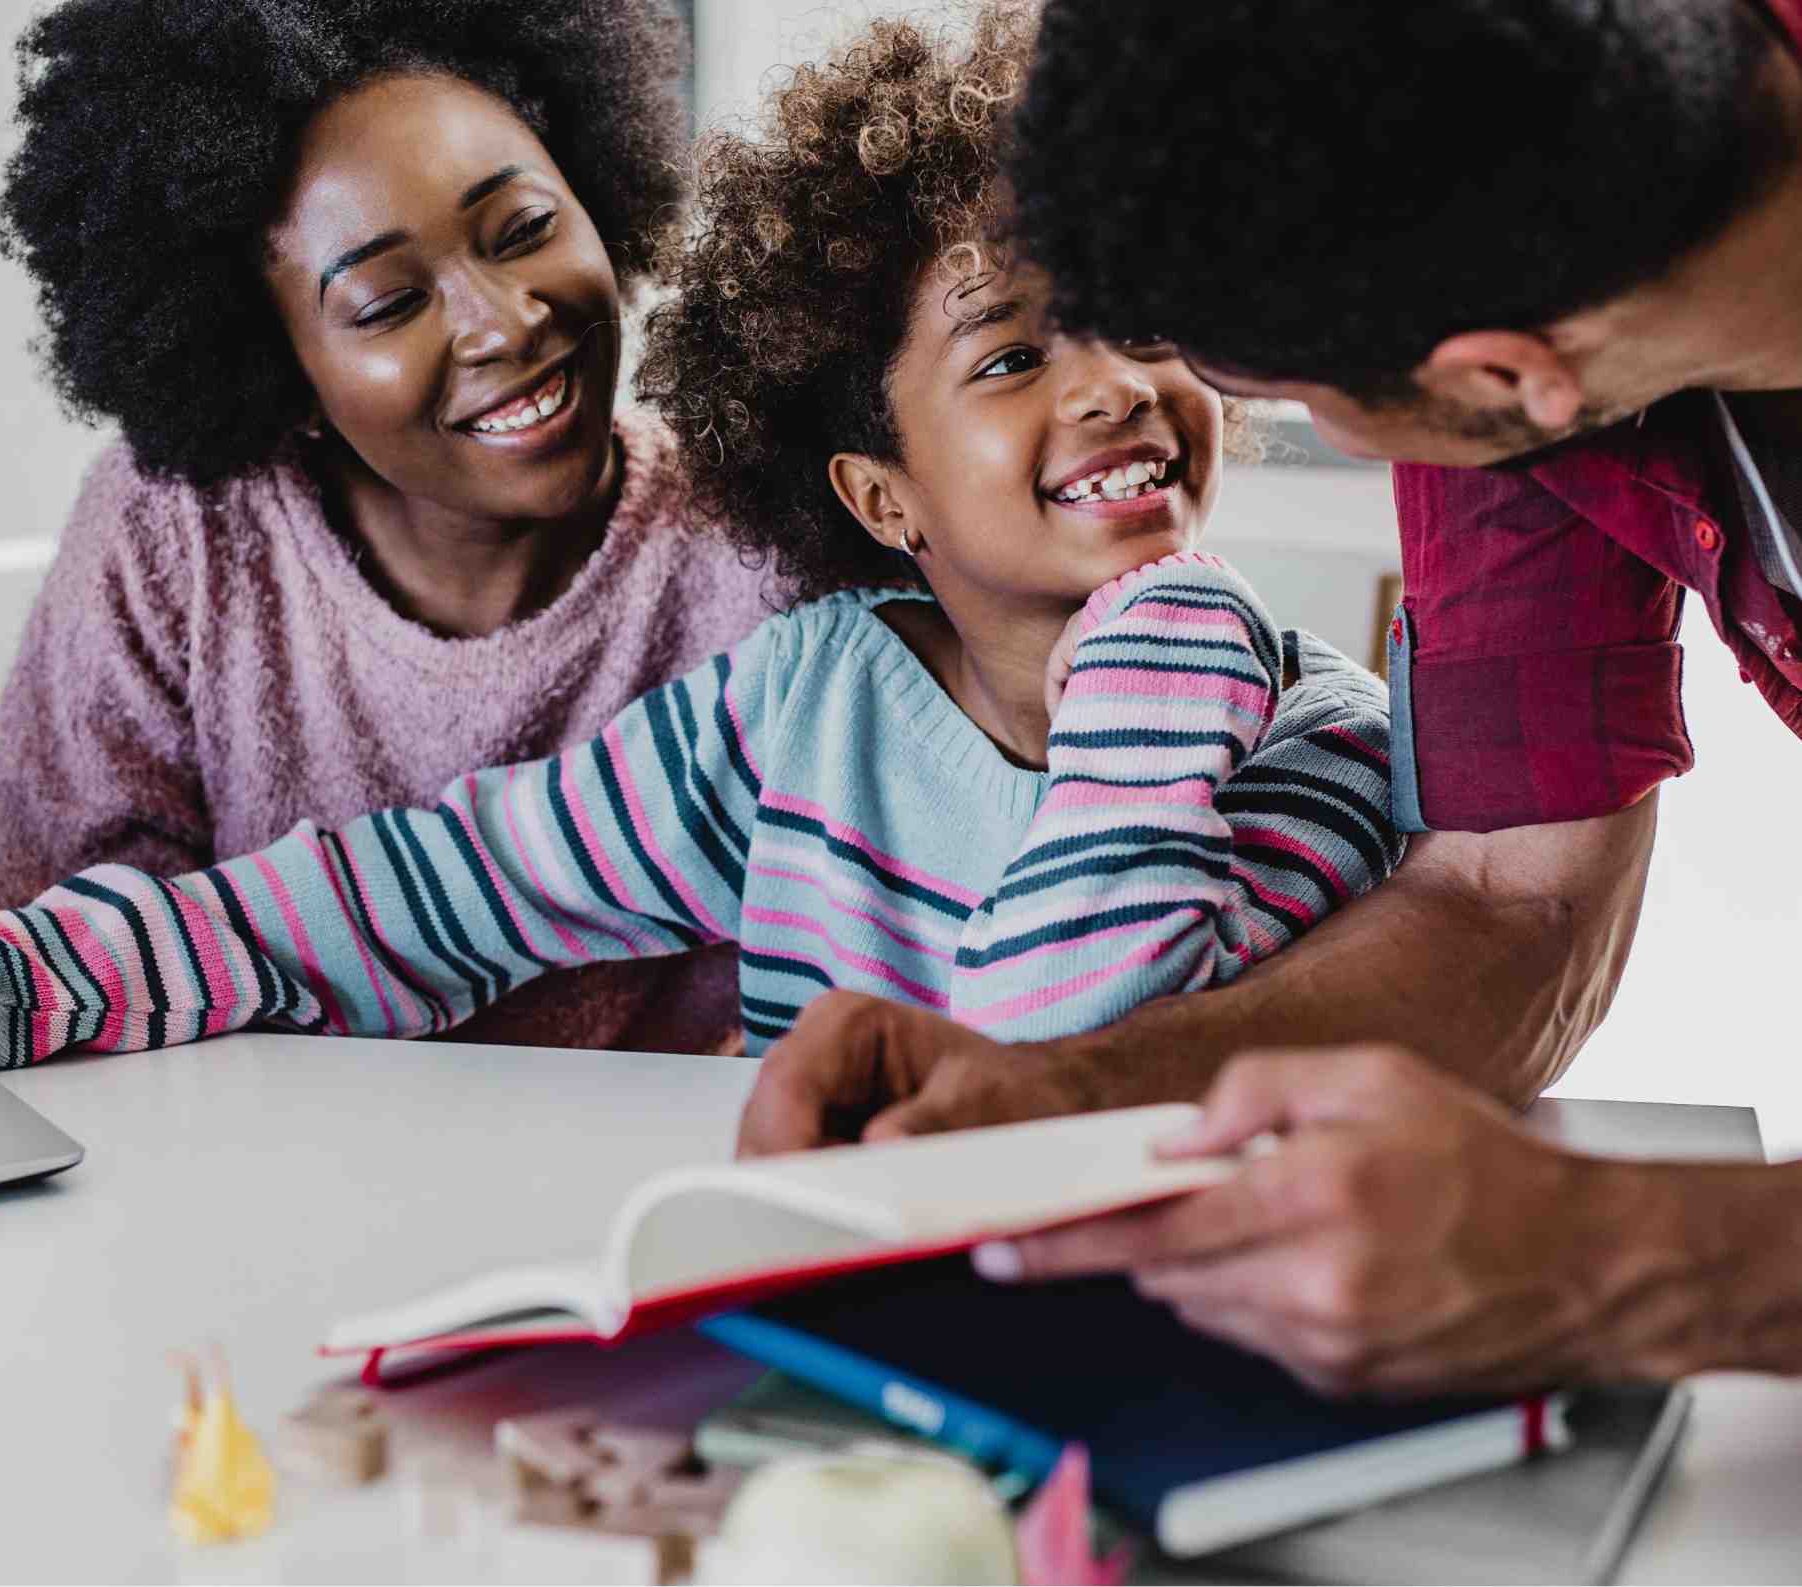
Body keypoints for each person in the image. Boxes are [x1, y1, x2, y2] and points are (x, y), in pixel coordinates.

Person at [0, 8, 1400, 1087]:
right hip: (782, 1343)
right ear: (882, 497)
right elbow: (402, 894)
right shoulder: (802, 705)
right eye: (1013, 355)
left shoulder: (1321, 744)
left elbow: (1061, 1062)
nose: (1112, 388)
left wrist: (1159, 653)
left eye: (1144, 326)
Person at [749, 0, 1802, 1396]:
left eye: (1254, 383)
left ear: (1507, 378)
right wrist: (1077, 1087)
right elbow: (1508, 893)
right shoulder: (1483, 246)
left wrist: (1611, 1251)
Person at [0, 0, 777, 1057]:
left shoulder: (759, 528)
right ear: (280, 373)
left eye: (524, 231)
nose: (504, 321)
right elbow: (44, 947)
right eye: (389, 302)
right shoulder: (181, 535)